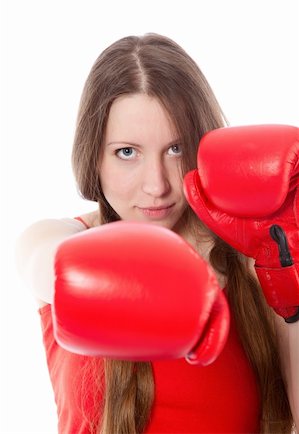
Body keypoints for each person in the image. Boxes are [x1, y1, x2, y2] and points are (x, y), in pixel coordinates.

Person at [15, 33, 298, 434]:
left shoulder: (255, 259)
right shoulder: (59, 240)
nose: (157, 185)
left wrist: (292, 283)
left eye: (175, 148)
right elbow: (38, 261)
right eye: (127, 152)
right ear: (93, 154)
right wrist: (113, 279)